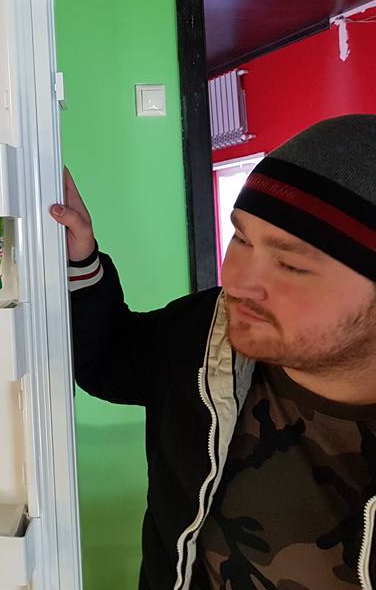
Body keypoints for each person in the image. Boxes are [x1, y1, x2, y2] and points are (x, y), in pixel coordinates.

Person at [50, 114, 376, 590]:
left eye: (290, 264)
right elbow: (110, 360)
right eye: (241, 238)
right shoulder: (208, 331)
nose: (238, 282)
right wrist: (80, 261)